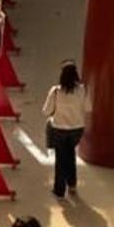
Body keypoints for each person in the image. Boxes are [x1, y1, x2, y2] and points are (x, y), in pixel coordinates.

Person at [43, 60, 90, 199]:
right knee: (70, 155)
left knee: (61, 160)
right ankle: (72, 185)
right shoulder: (82, 90)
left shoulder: (56, 91)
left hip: (59, 129)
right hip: (77, 130)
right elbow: (88, 108)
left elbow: (46, 111)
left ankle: (59, 189)